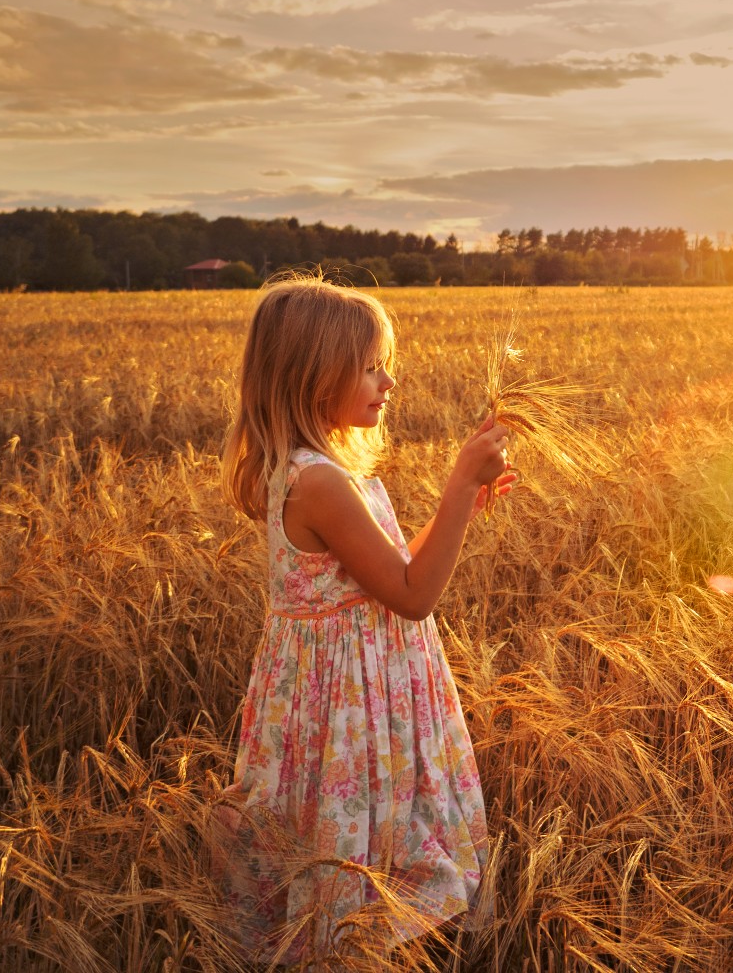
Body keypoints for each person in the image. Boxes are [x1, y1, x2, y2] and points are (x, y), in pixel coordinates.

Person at [215, 274, 514, 962]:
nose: (389, 381)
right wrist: (461, 479)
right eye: (372, 366)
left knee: (332, 842)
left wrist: (458, 511)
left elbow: (378, 577)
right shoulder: (319, 482)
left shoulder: (303, 470)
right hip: (352, 708)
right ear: (315, 374)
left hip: (340, 695)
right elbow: (412, 595)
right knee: (361, 863)